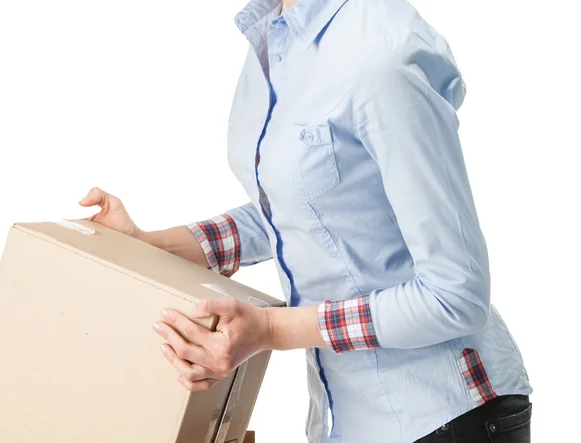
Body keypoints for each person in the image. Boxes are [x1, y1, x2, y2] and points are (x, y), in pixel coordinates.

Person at [79, 0, 532, 441]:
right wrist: (147, 245)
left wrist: (271, 329)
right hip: (349, 417)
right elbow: (299, 206)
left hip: (444, 414)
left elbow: (456, 294)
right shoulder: (275, 34)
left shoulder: (382, 54)